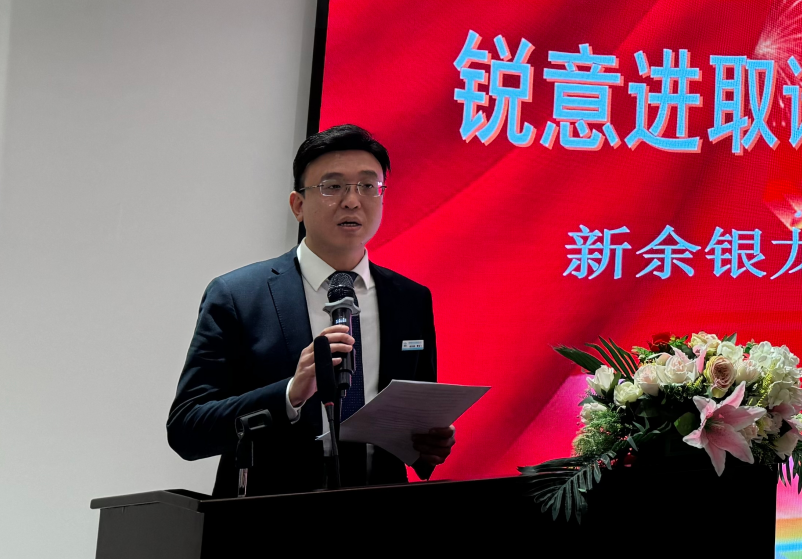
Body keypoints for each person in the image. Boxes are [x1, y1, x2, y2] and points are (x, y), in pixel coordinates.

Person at [167, 124, 456, 497]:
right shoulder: (238, 296)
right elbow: (187, 429)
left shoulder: (411, 299)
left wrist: (428, 445)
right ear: (298, 205)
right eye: (332, 186)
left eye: (368, 186)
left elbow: (417, 420)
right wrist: (290, 392)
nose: (352, 201)